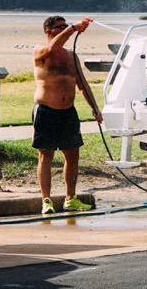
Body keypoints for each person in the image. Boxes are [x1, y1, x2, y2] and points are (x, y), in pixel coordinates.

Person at [33, 15, 101, 215]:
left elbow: (81, 83)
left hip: (68, 112)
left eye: (65, 25)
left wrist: (95, 107)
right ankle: (46, 200)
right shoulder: (40, 51)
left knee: (72, 155)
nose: (63, 29)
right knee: (46, 155)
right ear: (49, 31)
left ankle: (71, 198)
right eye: (59, 27)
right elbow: (53, 48)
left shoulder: (71, 56)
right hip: (46, 110)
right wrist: (72, 28)